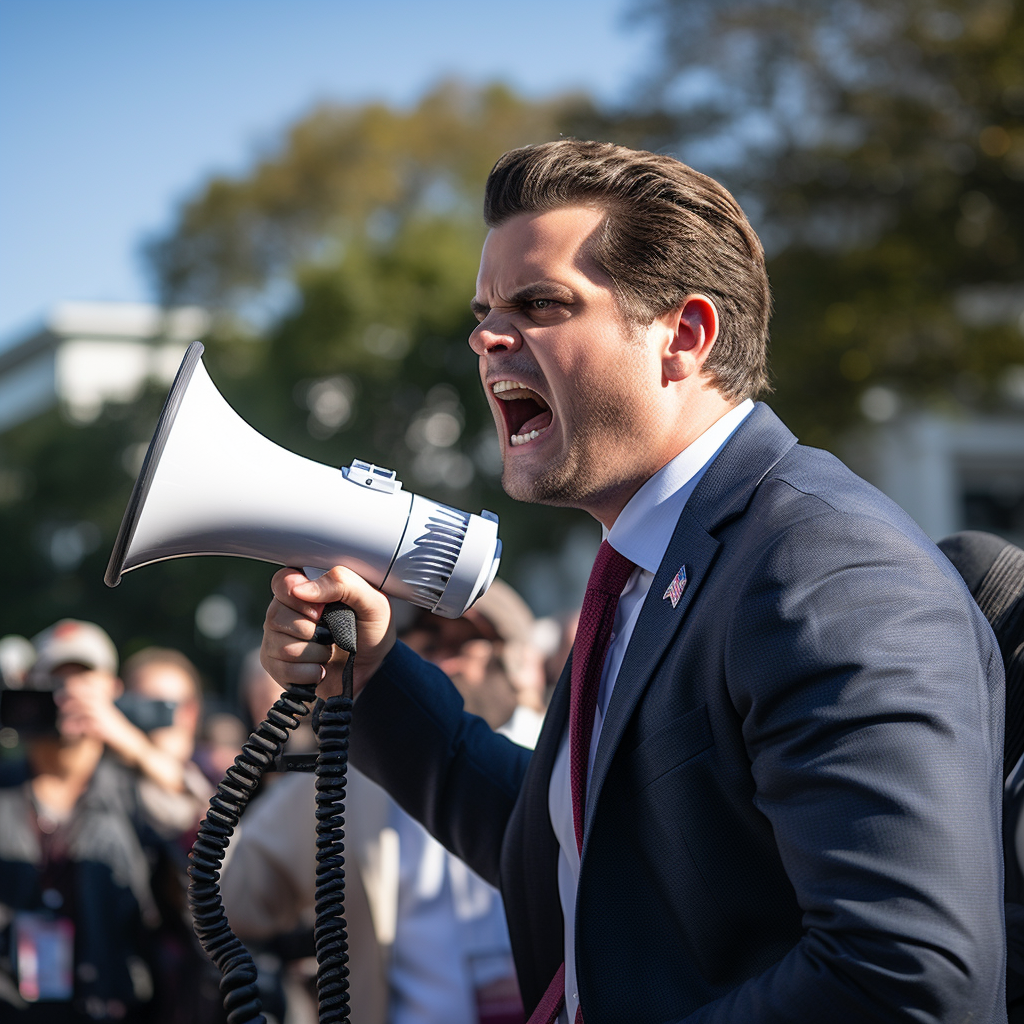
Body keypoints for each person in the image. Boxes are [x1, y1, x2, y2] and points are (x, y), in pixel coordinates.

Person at [261, 140, 1005, 1023]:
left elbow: (905, 976)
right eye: (485, 311)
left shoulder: (825, 567)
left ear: (684, 336)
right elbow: (579, 852)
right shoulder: (654, 569)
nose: (487, 337)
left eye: (541, 303)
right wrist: (373, 679)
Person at [224, 580, 545, 1024]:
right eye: (428, 642)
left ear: (521, 661)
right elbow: (235, 896)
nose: (446, 659)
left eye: (468, 642)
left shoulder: (572, 756)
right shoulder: (350, 771)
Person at [0, 620, 163, 1022]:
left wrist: (129, 741)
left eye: (84, 679)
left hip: (113, 1007)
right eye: (56, 682)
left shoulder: (137, 790)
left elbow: (202, 826)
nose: (69, 694)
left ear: (113, 690)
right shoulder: (5, 787)